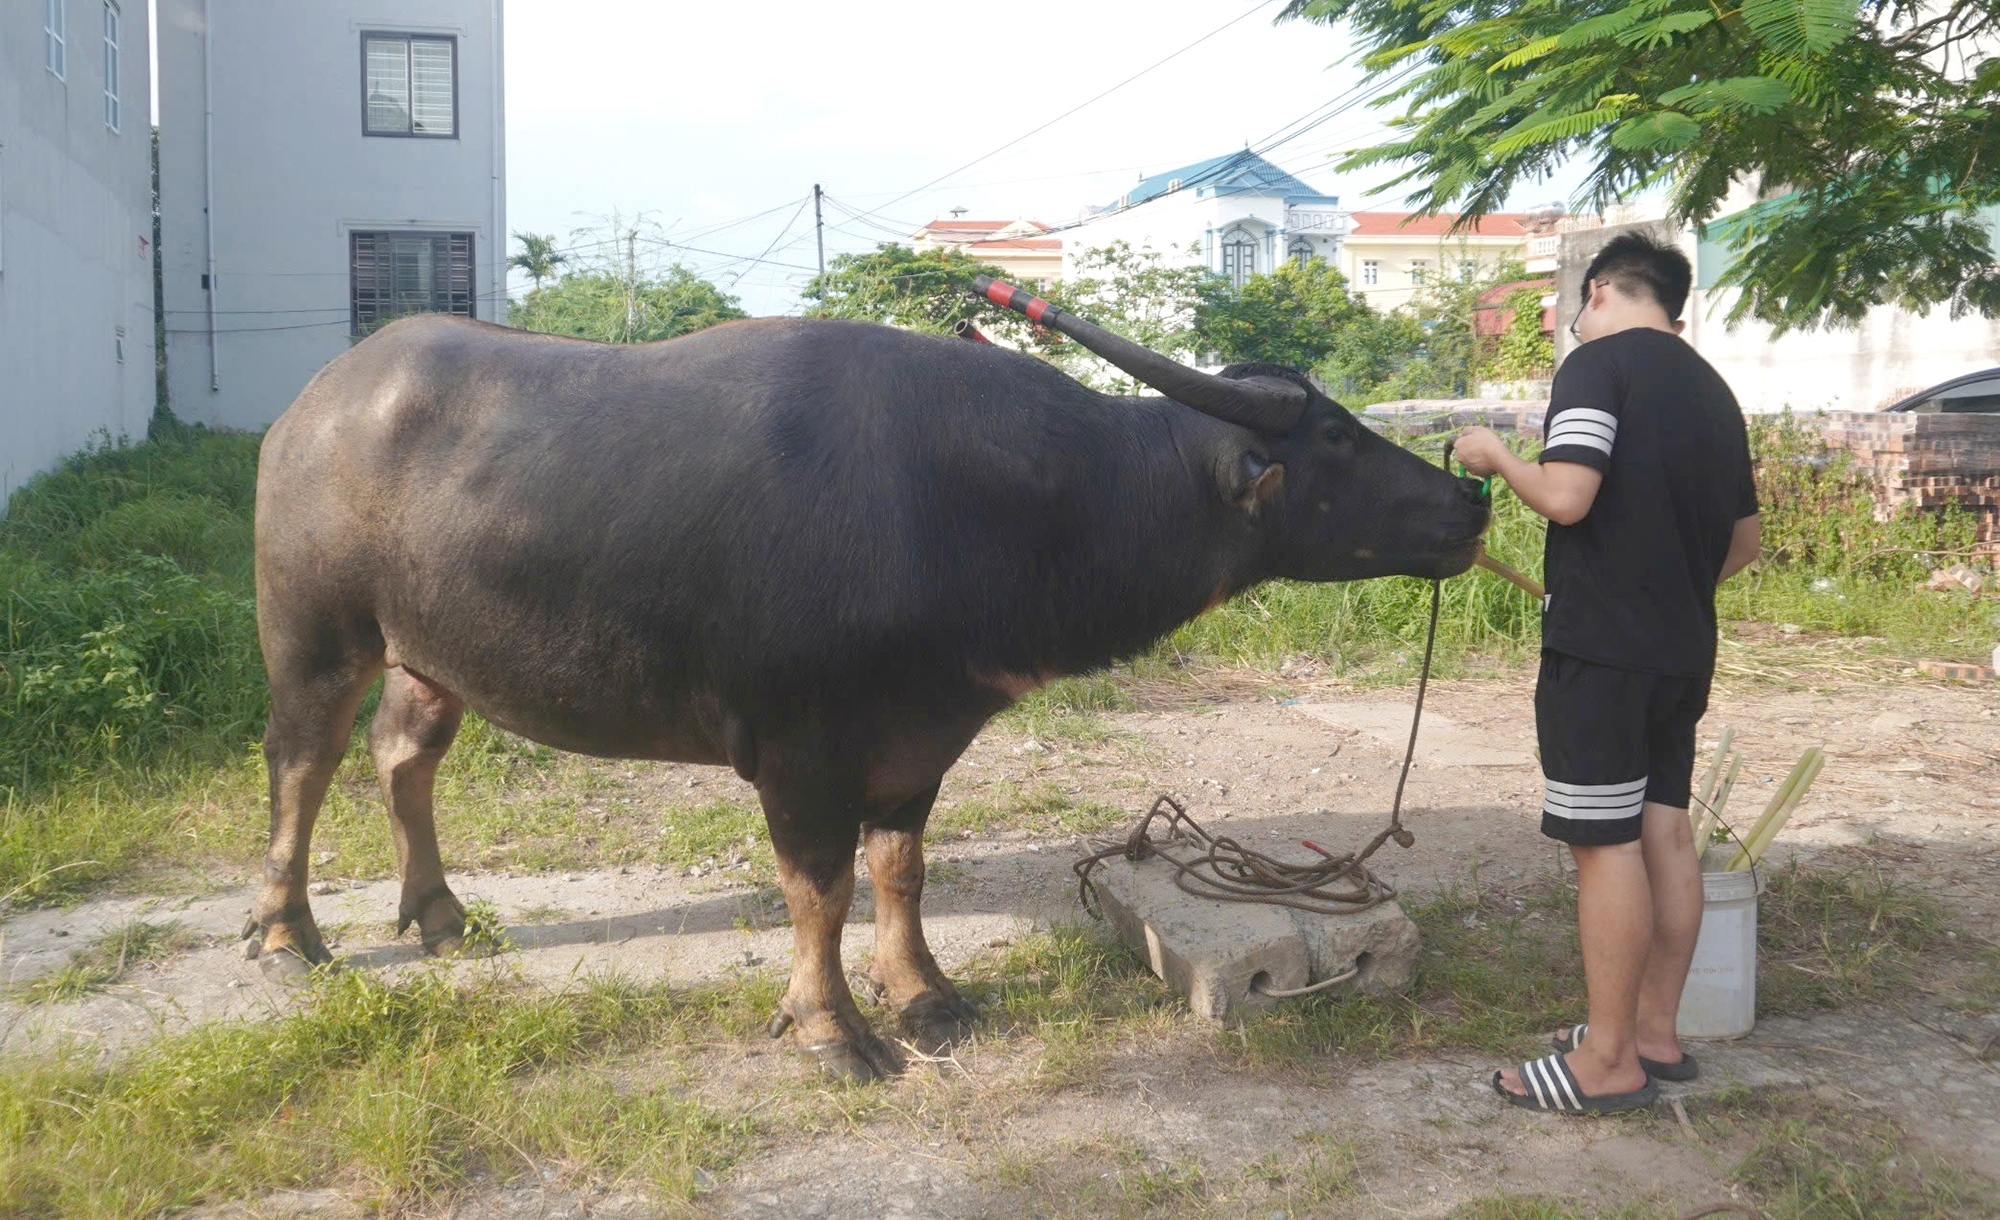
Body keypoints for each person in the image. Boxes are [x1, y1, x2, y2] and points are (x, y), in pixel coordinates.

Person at [1452, 233, 1761, 1115]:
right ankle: (1655, 1034)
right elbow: (1745, 545)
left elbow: (1566, 495)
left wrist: (1496, 456)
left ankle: (1608, 1062)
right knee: (1664, 831)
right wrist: (1662, 584)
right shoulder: (1713, 391)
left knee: (1605, 843)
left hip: (1602, 652)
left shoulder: (1597, 368)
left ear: (1596, 294)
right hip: (1681, 650)